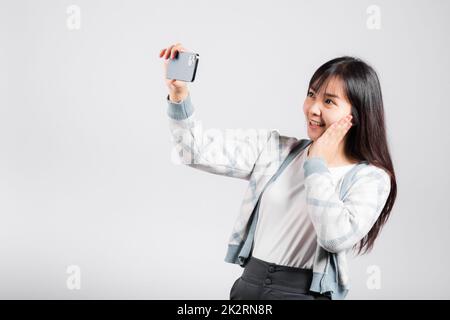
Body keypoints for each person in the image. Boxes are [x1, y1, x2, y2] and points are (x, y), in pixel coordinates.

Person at [159, 43, 397, 300]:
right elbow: (193, 152)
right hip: (249, 286)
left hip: (303, 293)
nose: (313, 109)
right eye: (311, 94)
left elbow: (334, 238)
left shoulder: (372, 179)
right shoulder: (276, 150)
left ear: (357, 114)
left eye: (329, 101)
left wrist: (316, 164)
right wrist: (179, 94)